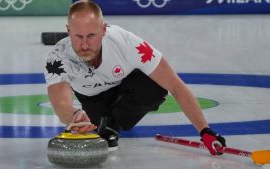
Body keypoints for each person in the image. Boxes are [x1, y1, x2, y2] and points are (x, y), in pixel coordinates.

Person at [44, 0, 226, 154]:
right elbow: (60, 104)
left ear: (104, 30)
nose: (84, 45)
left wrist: (204, 130)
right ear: (68, 31)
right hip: (93, 99)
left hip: (126, 89)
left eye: (91, 35)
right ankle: (106, 121)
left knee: (154, 88)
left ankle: (114, 121)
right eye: (78, 36)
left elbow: (175, 85)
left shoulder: (127, 43)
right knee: (99, 128)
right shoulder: (58, 57)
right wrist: (75, 116)